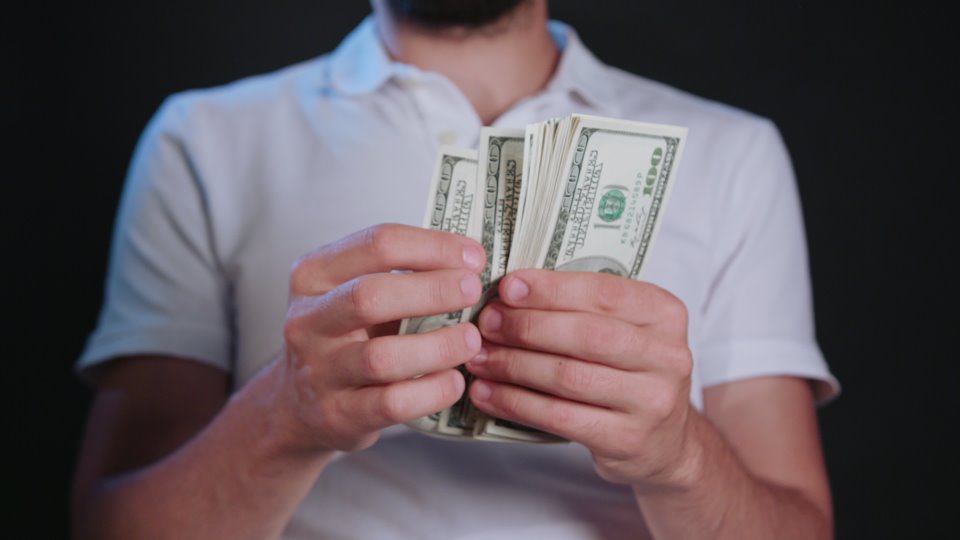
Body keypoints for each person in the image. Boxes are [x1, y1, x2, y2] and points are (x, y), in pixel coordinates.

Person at [72, 1, 840, 538]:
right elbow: (112, 529)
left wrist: (678, 455)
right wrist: (287, 413)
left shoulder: (733, 151)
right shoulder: (203, 140)